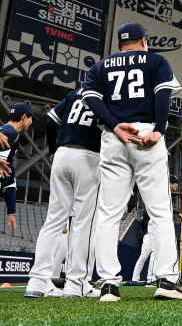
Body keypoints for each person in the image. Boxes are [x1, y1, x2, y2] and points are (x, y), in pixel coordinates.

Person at [82, 22, 182, 301]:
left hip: (114, 136)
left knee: (107, 214)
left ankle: (107, 284)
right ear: (144, 41)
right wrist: (159, 130)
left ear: (120, 45)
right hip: (146, 134)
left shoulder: (101, 66)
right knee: (160, 211)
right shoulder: (156, 60)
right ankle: (166, 280)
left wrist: (116, 126)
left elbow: (91, 99)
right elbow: (163, 94)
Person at [24, 92, 101, 299]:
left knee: (53, 220)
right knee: (84, 223)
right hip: (89, 156)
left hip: (62, 154)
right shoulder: (108, 94)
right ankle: (77, 283)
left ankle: (37, 281)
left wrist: (52, 149)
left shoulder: (75, 93)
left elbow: (51, 121)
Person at [128, 175, 182, 286]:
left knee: (156, 252)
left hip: (155, 225)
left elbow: (167, 209)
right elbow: (151, 210)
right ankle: (149, 279)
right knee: (151, 254)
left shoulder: (165, 193)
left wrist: (176, 212)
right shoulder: (161, 191)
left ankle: (153, 278)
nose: (177, 185)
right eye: (175, 182)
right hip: (153, 226)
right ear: (169, 183)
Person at [1, 104, 32, 234]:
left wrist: (11, 212)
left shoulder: (7, 131)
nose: (31, 122)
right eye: (31, 118)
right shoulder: (11, 132)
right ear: (24, 117)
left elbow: (8, 176)